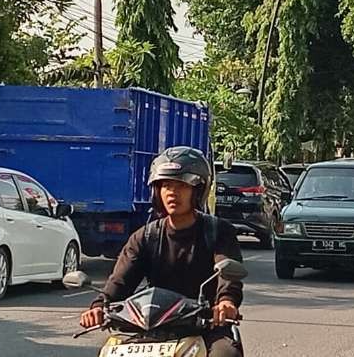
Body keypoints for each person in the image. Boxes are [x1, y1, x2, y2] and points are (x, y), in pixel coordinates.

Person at [78, 147, 244, 357]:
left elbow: (228, 275)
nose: (172, 193)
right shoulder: (145, 236)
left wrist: (225, 302)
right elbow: (120, 281)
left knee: (226, 354)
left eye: (181, 185)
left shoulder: (218, 232)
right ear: (157, 191)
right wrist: (100, 306)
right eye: (166, 185)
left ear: (198, 190)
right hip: (152, 326)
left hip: (205, 324)